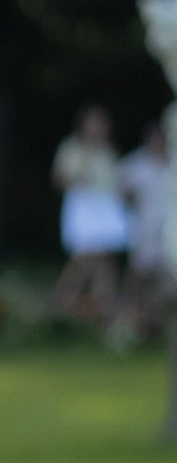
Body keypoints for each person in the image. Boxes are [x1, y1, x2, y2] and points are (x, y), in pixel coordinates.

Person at [51, 106, 130, 321]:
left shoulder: (110, 151)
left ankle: (102, 310)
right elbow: (59, 179)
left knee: (106, 260)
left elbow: (117, 182)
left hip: (106, 206)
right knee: (83, 259)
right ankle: (62, 304)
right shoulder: (72, 147)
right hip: (84, 205)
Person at [118, 118, 172, 329]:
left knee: (166, 275)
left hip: (168, 228)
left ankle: (157, 318)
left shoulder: (172, 162)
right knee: (139, 273)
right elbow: (121, 187)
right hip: (145, 225)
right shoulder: (137, 163)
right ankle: (133, 315)